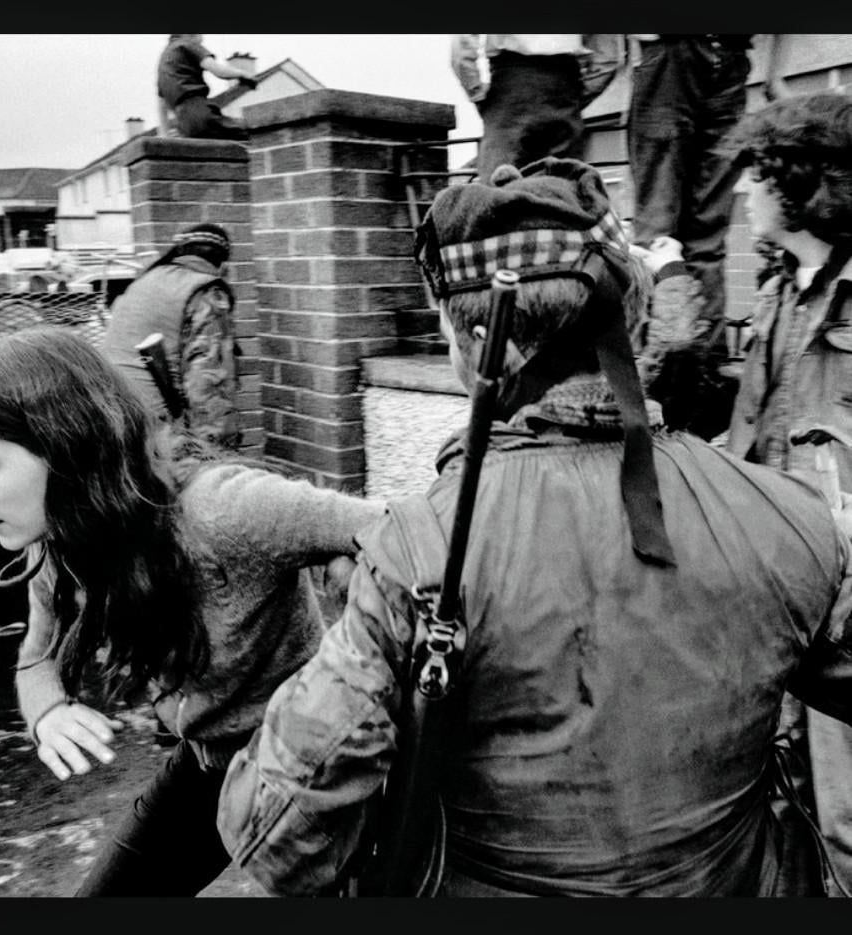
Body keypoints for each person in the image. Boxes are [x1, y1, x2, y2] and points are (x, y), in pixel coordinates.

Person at [216, 157, 852, 897]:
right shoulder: (788, 518)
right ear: (630, 319)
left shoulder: (420, 551)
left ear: (489, 346)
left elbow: (275, 833)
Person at [0, 327, 385, 896]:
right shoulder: (60, 546)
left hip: (314, 770)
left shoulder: (222, 511)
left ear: (63, 446)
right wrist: (47, 712)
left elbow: (406, 537)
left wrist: (357, 585)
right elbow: (36, 656)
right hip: (206, 765)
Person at [637, 91, 852, 896]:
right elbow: (744, 430)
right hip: (780, 585)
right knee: (791, 793)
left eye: (756, 175)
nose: (741, 193)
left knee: (846, 812)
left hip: (843, 600)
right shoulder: (776, 294)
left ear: (799, 182)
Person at [625, 35, 787, 440]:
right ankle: (650, 385)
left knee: (709, 239)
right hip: (672, 50)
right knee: (657, 232)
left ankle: (702, 391)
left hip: (732, 55)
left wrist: (775, 70)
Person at [103, 223, 242, 451]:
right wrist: (217, 457)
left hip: (113, 421)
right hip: (157, 438)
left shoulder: (143, 283)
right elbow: (209, 385)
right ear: (224, 266)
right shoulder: (206, 293)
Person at [451, 35, 623, 183]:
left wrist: (475, 89)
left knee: (500, 189)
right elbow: (609, 52)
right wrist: (580, 93)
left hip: (511, 85)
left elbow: (462, 41)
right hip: (564, 83)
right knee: (562, 192)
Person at [156, 34, 256, 141]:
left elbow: (162, 104)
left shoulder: (165, 59)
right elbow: (218, 70)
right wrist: (243, 74)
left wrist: (165, 134)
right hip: (201, 114)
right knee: (247, 128)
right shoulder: (188, 44)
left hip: (184, 125)